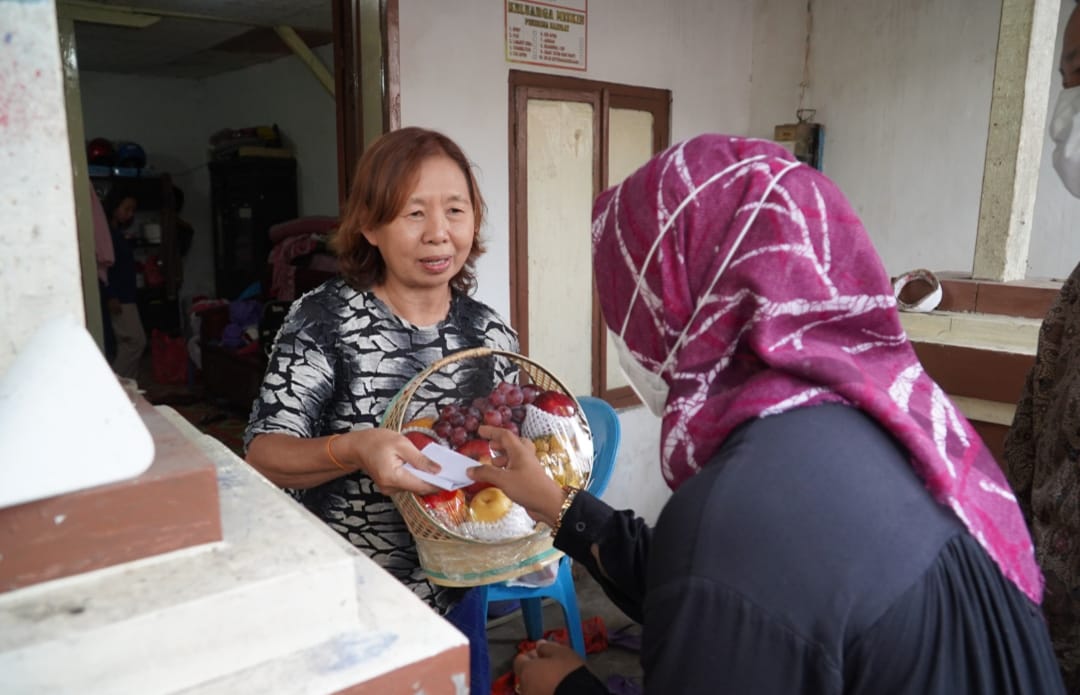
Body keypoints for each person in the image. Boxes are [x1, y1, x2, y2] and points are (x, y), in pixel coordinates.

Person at [469, 134, 1066, 694]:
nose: (625, 331)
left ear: (681, 300)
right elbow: (733, 589)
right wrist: (556, 502)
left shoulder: (735, 511)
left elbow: (724, 579)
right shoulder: (899, 423)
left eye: (628, 301)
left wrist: (571, 688)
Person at [244, 127, 518, 695]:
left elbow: (510, 450)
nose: (439, 233)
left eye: (456, 210)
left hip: (457, 593)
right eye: (413, 213)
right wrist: (354, 448)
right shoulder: (324, 321)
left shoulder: (488, 333)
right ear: (370, 225)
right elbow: (264, 455)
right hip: (345, 596)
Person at [1003, 3, 1080, 691]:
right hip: (1041, 641)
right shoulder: (1077, 294)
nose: (1069, 112)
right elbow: (1032, 444)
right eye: (1069, 77)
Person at [102, 186, 147, 380]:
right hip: (119, 296)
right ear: (114, 207)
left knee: (130, 343)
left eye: (132, 211)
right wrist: (110, 294)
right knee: (135, 342)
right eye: (126, 209)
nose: (129, 214)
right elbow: (102, 267)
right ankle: (116, 386)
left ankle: (128, 388)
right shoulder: (106, 234)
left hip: (126, 294)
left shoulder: (116, 232)